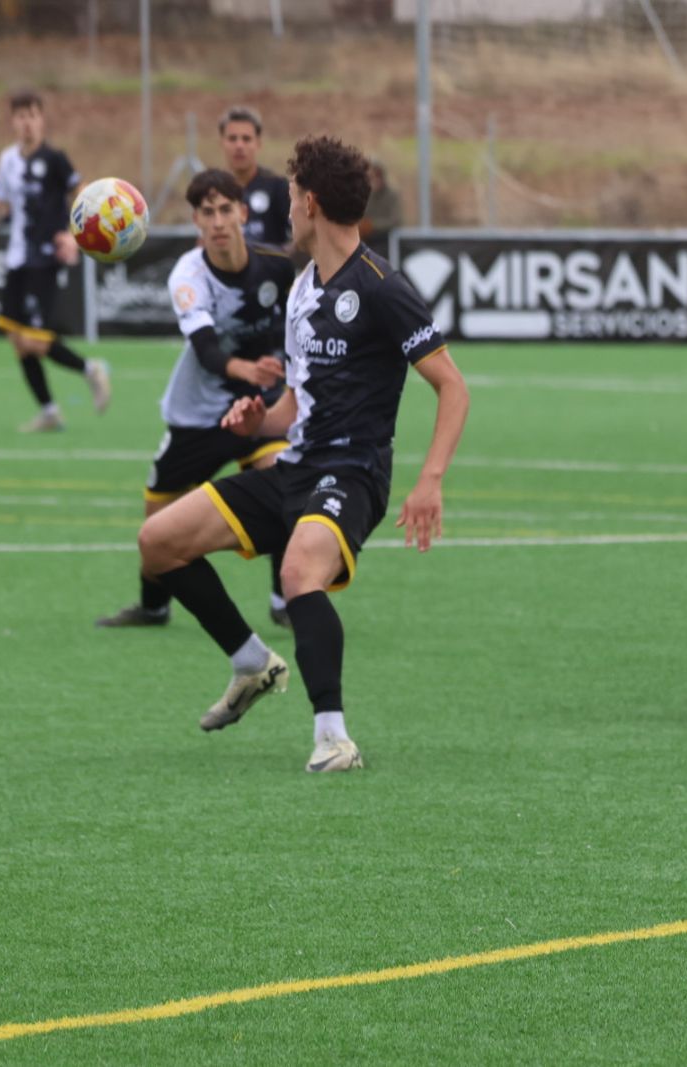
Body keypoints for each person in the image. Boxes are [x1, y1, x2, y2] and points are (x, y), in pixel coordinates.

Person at [137, 135, 470, 772]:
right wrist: (259, 419)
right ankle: (250, 663)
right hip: (294, 466)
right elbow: (296, 402)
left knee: (297, 576)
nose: (286, 208)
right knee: (158, 543)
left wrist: (430, 480)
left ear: (310, 203)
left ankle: (334, 738)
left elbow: (453, 386)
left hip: (353, 472)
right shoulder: (302, 288)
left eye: (290, 196)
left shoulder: (382, 288)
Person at [96, 170, 296, 630]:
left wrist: (280, 369)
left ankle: (283, 600)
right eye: (208, 212)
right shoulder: (188, 276)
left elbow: (295, 325)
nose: (218, 221)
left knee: (286, 479)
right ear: (196, 221)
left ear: (242, 213)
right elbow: (206, 351)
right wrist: (248, 368)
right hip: (199, 416)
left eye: (226, 210)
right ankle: (153, 607)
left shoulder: (277, 267)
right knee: (156, 525)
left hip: (259, 408)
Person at [0, 91, 109, 432]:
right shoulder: (8, 160)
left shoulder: (54, 159)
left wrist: (74, 234)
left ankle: (90, 369)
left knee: (35, 339)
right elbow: (2, 204)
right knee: (17, 340)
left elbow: (82, 193)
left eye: (32, 115)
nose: (27, 123)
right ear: (13, 122)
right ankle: (49, 411)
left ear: (42, 120)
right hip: (17, 258)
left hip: (46, 258)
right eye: (21, 116)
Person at [218, 105, 292, 249]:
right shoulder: (214, 189)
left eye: (246, 139)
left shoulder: (278, 186)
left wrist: (278, 257)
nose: (239, 145)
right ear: (222, 143)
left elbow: (301, 239)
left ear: (258, 143)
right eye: (232, 138)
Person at [359, 160, 404, 252]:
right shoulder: (365, 194)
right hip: (367, 240)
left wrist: (371, 225)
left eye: (377, 176)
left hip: (387, 240)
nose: (375, 180)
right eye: (371, 177)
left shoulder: (392, 195)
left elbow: (395, 221)